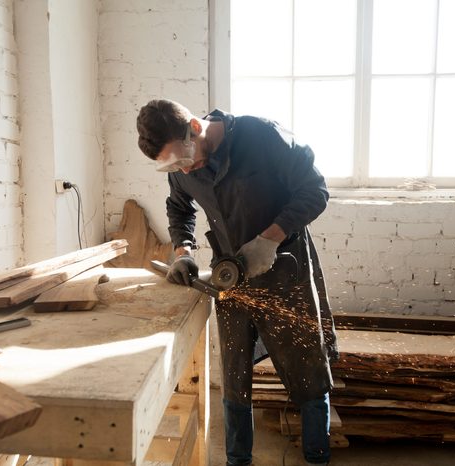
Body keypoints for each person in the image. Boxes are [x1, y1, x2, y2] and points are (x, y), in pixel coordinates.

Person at [136, 99, 338, 466]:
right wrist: (182, 251)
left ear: (195, 128)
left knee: (307, 369)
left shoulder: (262, 135)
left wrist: (270, 239)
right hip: (230, 277)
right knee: (235, 372)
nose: (186, 168)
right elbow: (180, 207)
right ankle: (237, 461)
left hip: (284, 269)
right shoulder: (181, 161)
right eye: (176, 166)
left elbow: (315, 189)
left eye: (185, 158)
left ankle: (317, 457)